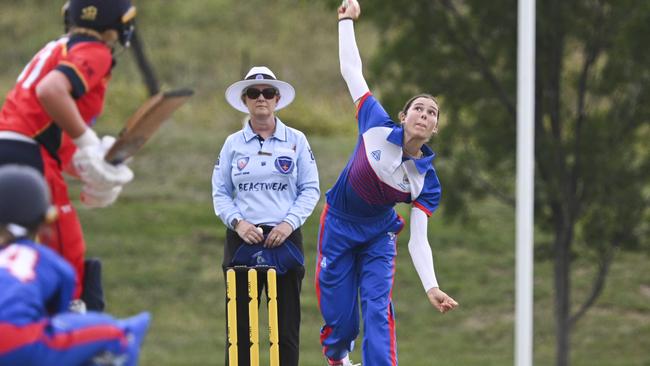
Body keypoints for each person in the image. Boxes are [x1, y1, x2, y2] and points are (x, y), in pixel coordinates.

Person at [315, 1, 460, 365]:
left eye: (432, 113)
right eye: (418, 109)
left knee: (377, 311)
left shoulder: (426, 180)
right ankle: (338, 358)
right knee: (341, 324)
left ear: (435, 128)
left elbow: (419, 240)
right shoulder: (375, 123)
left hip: (379, 235)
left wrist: (431, 286)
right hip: (338, 225)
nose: (424, 115)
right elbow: (351, 71)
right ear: (403, 116)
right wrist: (346, 22)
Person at [0, 0, 137, 310]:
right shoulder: (94, 50)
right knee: (64, 238)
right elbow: (50, 91)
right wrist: (88, 142)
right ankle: (68, 311)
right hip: (27, 154)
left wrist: (93, 166)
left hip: (18, 148)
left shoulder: (59, 47)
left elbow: (49, 134)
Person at [212, 66, 320, 366]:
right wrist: (238, 222)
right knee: (239, 330)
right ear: (245, 100)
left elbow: (310, 189)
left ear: (277, 99)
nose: (262, 98)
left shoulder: (296, 139)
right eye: (254, 93)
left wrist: (288, 224)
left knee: (285, 329)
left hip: (284, 240)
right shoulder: (232, 144)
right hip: (243, 241)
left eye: (268, 92)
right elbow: (220, 192)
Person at [0, 164, 150, 366]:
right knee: (118, 334)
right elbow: (58, 317)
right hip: (16, 343)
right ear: (45, 220)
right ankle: (129, 330)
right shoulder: (46, 260)